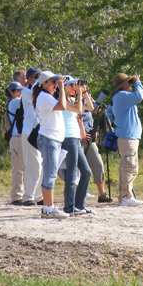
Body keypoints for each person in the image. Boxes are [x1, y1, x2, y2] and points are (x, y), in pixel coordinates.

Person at [32, 71, 69, 219]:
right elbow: (62, 106)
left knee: (50, 173)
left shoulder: (46, 96)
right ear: (44, 84)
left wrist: (59, 88)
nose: (54, 84)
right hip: (49, 139)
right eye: (52, 82)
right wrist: (60, 86)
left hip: (52, 139)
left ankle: (48, 207)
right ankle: (48, 208)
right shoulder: (44, 96)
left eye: (55, 81)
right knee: (50, 174)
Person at [106, 73, 143, 206]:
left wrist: (119, 122)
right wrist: (138, 82)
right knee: (130, 166)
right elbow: (139, 96)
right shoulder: (122, 95)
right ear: (123, 85)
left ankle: (124, 197)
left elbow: (108, 113)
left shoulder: (117, 97)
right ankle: (127, 196)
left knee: (126, 165)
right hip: (128, 137)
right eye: (130, 82)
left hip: (125, 135)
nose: (131, 85)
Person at [61, 77, 94, 215]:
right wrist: (79, 94)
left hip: (75, 139)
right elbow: (78, 109)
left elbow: (91, 107)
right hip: (67, 138)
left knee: (86, 172)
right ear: (63, 87)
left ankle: (79, 205)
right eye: (71, 85)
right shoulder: (61, 101)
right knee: (72, 173)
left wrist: (84, 92)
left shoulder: (72, 99)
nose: (74, 87)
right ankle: (69, 206)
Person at [81, 98, 112, 203]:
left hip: (90, 139)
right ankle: (78, 193)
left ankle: (102, 194)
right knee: (78, 167)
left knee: (98, 164)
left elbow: (94, 111)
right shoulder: (72, 102)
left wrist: (91, 99)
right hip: (78, 138)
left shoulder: (86, 102)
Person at [21, 67, 43, 206]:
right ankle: (28, 196)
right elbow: (33, 94)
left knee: (41, 164)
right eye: (36, 77)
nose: (38, 80)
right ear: (28, 80)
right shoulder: (25, 91)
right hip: (29, 132)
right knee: (33, 164)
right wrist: (38, 83)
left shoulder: (43, 93)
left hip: (41, 131)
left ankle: (39, 195)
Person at [4, 81, 25, 205]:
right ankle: (16, 196)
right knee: (18, 168)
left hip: (19, 137)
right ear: (11, 93)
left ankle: (20, 194)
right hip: (17, 137)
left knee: (22, 167)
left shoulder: (15, 102)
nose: (21, 93)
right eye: (18, 91)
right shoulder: (14, 102)